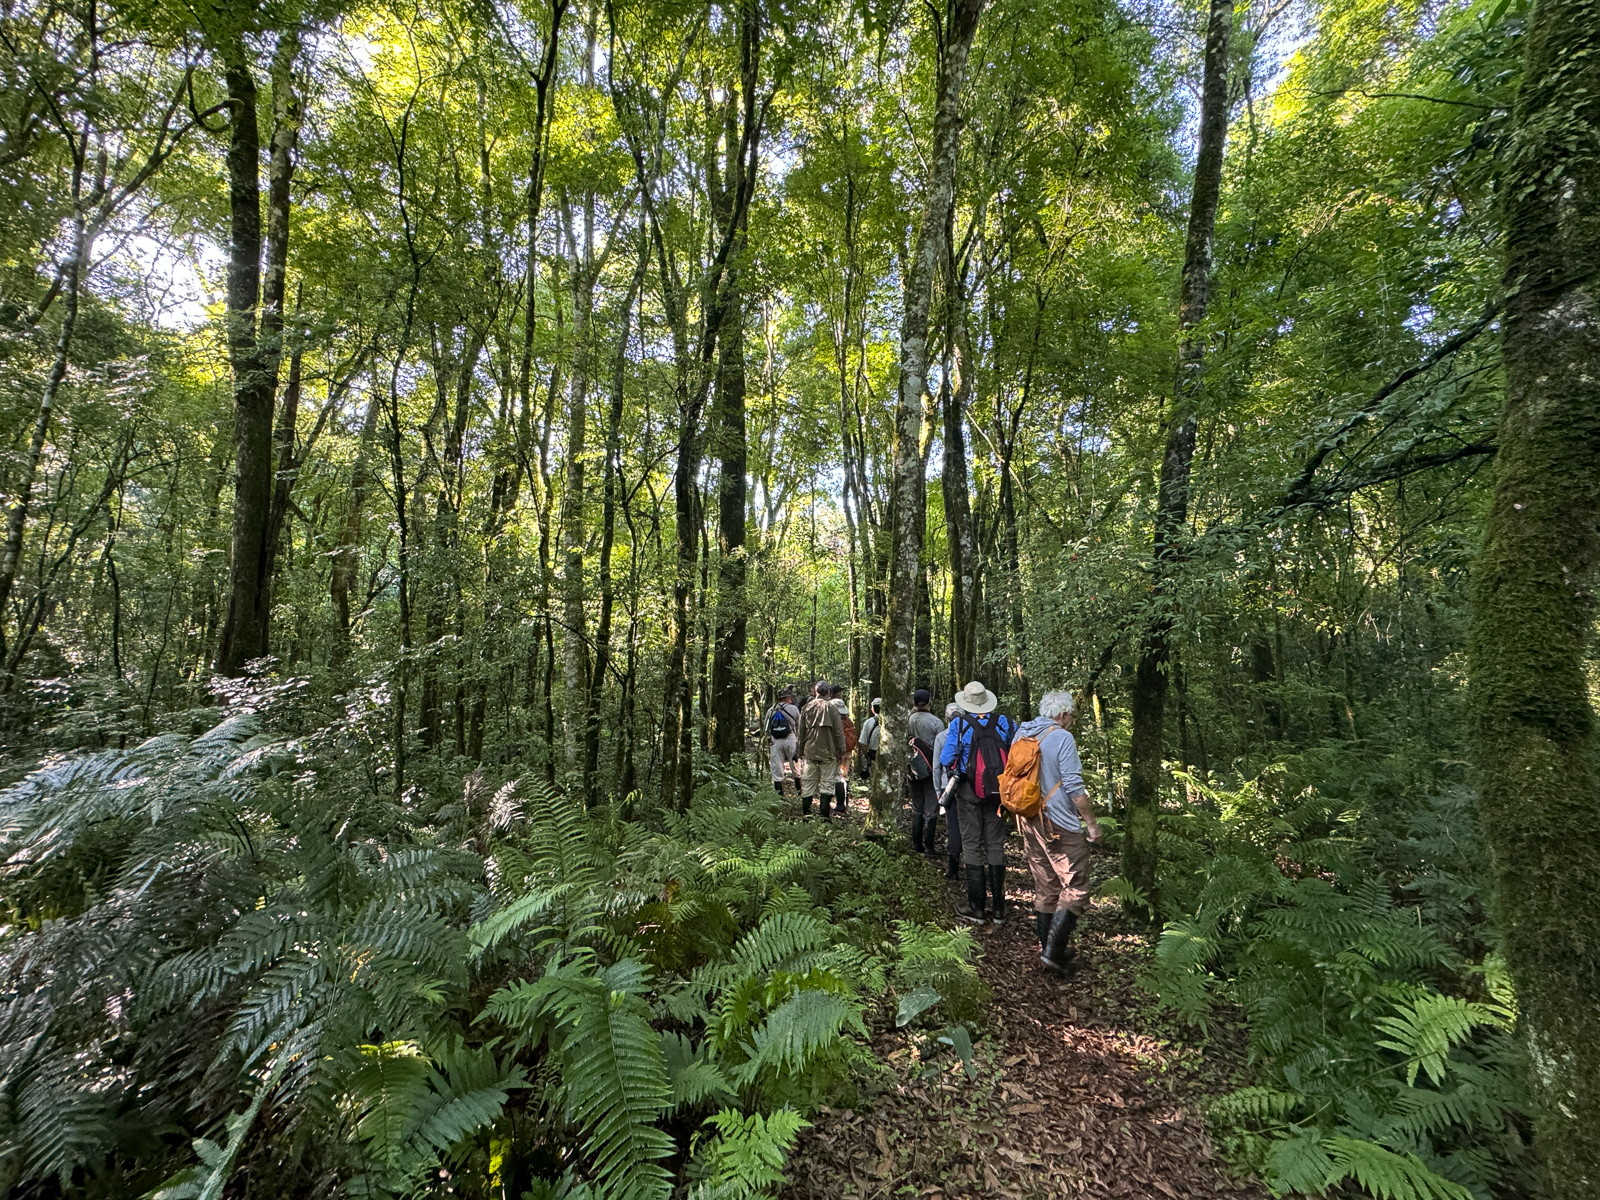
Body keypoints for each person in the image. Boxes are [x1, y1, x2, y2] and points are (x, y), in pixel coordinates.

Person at [1012, 690, 1102, 970]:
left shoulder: (1022, 733)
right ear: (1062, 715)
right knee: (1076, 886)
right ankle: (1054, 951)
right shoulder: (1062, 737)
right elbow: (1074, 787)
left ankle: (1048, 949)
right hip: (1058, 822)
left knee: (1046, 884)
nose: (1072, 720)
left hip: (1028, 819)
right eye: (1072, 715)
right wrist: (1092, 824)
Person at [939, 679, 1017, 924]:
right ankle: (999, 908)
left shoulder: (960, 724)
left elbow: (946, 758)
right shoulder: (1006, 723)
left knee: (972, 843)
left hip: (968, 792)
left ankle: (977, 907)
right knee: (995, 843)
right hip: (999, 792)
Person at [906, 689, 945, 857]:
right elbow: (940, 747)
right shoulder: (936, 722)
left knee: (917, 807)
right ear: (929, 702)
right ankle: (929, 847)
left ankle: (916, 844)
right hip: (930, 768)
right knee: (930, 808)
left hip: (911, 768)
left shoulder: (907, 720)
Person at [798, 680, 845, 820]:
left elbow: (801, 733)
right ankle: (824, 817)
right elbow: (838, 732)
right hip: (828, 752)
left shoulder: (806, 708)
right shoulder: (832, 709)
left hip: (810, 751)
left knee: (808, 783)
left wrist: (800, 751)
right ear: (829, 692)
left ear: (815, 692)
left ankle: (806, 816)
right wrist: (841, 750)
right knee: (827, 784)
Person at [931, 702, 963, 878]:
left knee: (953, 826)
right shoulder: (970, 734)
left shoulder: (942, 737)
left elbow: (937, 766)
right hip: (967, 785)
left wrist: (938, 790)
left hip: (948, 786)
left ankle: (953, 868)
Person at [766, 687, 803, 800]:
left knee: (777, 770)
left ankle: (780, 798)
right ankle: (800, 795)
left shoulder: (771, 710)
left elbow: (766, 729)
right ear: (788, 698)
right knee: (795, 768)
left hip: (775, 740)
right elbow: (800, 726)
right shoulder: (794, 709)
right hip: (791, 738)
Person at [830, 685, 854, 816]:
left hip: (837, 751)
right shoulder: (848, 720)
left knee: (837, 776)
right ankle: (846, 800)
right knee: (845, 775)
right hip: (848, 751)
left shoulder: (834, 721)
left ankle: (840, 804)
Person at [859, 697, 884, 785]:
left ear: (872, 709)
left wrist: (867, 756)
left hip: (873, 756)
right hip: (888, 757)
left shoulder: (868, 722)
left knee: (874, 782)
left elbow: (863, 743)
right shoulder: (891, 722)